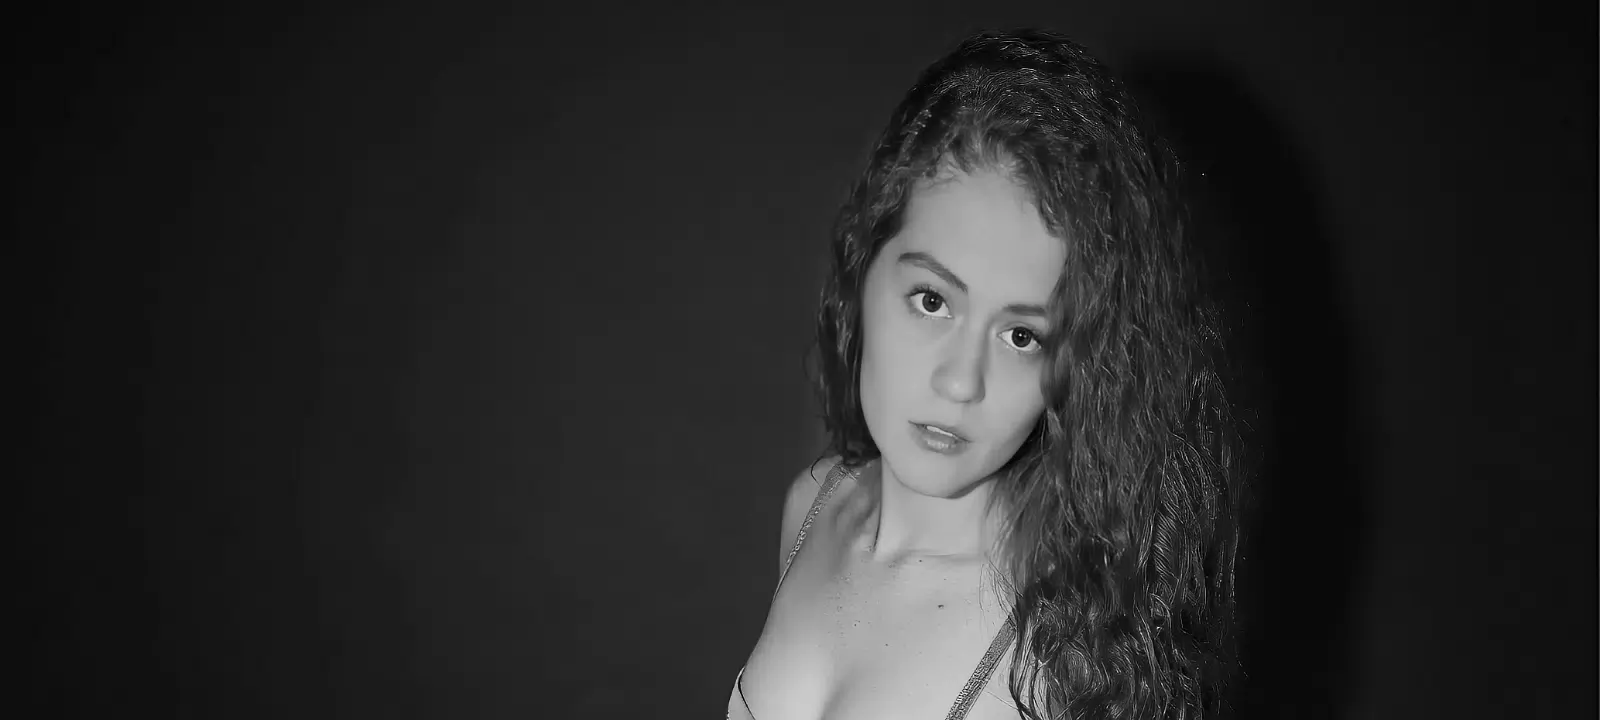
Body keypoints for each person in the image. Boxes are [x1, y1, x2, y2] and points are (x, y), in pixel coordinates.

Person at [729, 28, 1246, 720]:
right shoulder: (814, 506)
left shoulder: (1067, 646)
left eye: (1021, 336)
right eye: (932, 301)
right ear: (863, 268)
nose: (961, 383)